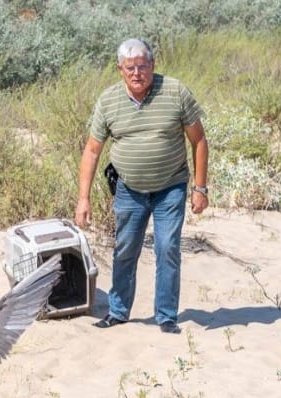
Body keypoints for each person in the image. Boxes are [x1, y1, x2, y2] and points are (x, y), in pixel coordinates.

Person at [75, 37, 209, 335]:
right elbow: (93, 150)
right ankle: (118, 311)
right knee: (125, 249)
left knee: (167, 248)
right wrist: (83, 198)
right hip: (129, 189)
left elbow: (198, 140)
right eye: (130, 68)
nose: (137, 73)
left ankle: (166, 316)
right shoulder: (108, 100)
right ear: (120, 69)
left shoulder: (175, 91)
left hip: (170, 187)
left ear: (153, 65)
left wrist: (200, 188)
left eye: (142, 66)